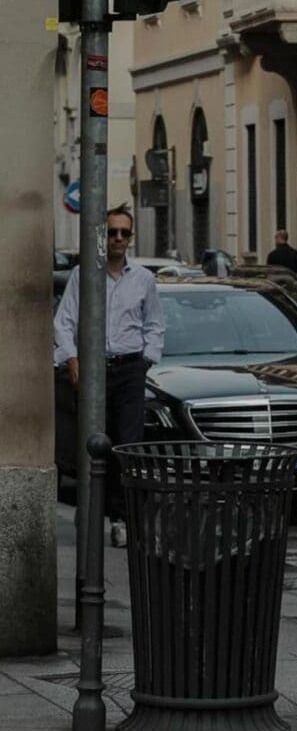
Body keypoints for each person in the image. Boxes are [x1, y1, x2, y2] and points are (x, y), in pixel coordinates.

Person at [54, 204, 165, 547]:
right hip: (93, 370)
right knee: (93, 445)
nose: (118, 239)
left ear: (131, 237)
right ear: (102, 235)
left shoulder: (144, 279)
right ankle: (89, 516)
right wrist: (71, 358)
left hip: (130, 370)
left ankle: (121, 519)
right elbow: (64, 321)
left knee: (127, 447)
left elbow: (155, 325)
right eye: (112, 232)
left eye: (124, 233)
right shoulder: (84, 273)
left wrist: (146, 359)